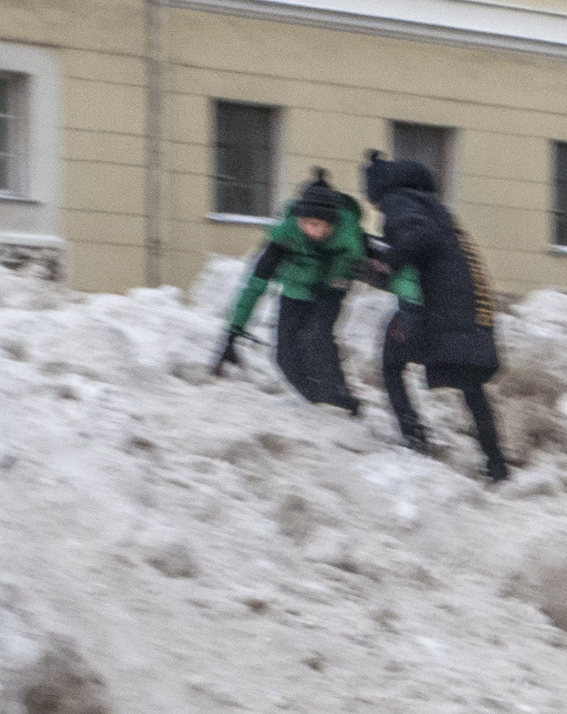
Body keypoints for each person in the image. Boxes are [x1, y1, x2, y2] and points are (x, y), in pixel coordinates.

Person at [358, 151, 511, 483]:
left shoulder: (399, 202)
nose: (374, 209)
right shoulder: (435, 208)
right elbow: (424, 258)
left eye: (372, 201)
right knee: (471, 385)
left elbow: (418, 241)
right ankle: (496, 463)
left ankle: (415, 440)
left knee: (391, 364)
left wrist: (387, 260)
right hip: (464, 309)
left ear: (379, 192)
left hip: (437, 311)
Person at [217, 170, 367, 414]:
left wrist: (330, 290)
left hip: (329, 290)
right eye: (304, 222)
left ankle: (342, 402)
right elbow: (255, 286)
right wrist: (233, 333)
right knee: (284, 358)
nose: (309, 229)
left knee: (316, 338)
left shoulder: (347, 242)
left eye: (316, 224)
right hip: (295, 291)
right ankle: (317, 405)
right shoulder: (285, 237)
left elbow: (342, 279)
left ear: (330, 224)